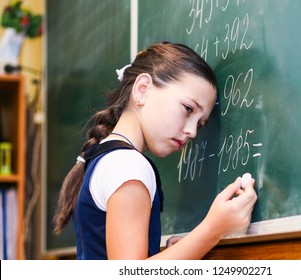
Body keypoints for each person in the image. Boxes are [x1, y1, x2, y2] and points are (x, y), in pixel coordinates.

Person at [53, 41, 257, 260]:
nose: (192, 132)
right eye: (188, 109)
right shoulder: (129, 167)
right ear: (142, 90)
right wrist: (212, 230)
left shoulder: (108, 158)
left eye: (200, 123)